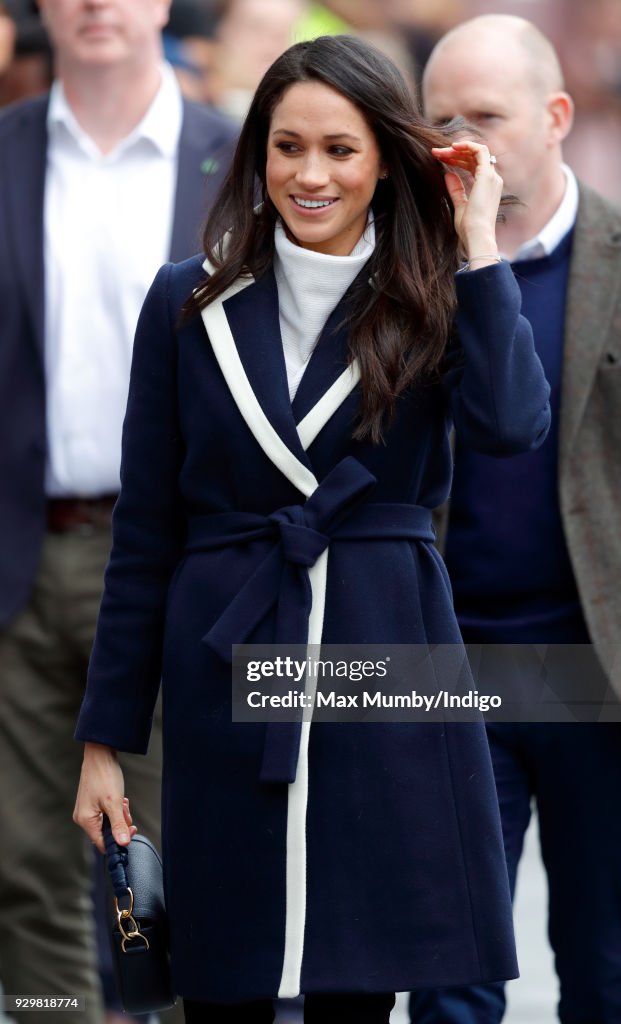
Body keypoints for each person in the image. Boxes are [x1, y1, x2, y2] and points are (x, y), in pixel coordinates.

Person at [73, 33, 551, 1024]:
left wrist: (477, 242)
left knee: (353, 973)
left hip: (380, 648)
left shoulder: (432, 293)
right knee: (223, 973)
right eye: (286, 146)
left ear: (384, 157)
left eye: (339, 148)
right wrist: (105, 740)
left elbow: (512, 425)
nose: (309, 172)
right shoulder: (189, 299)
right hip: (228, 656)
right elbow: (145, 533)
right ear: (258, 154)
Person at [0, 1, 237, 1022]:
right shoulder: (5, 152)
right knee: (21, 860)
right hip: (21, 554)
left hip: (177, 565)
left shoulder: (238, 156)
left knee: (168, 861)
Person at [411, 13, 621, 1024]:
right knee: (446, 976)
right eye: (438, 120)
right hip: (446, 665)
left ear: (554, 118)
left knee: (612, 970)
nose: (460, 141)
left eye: (486, 116)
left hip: (604, 665)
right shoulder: (401, 273)